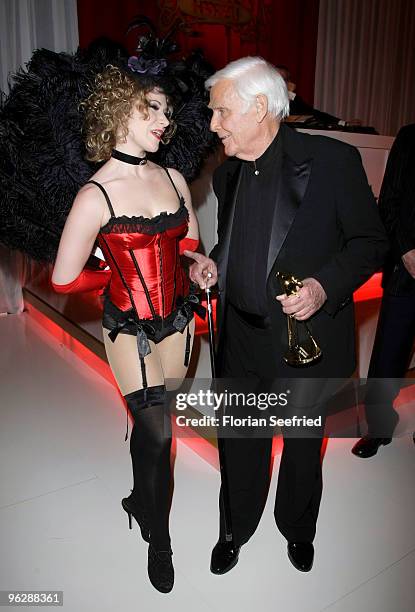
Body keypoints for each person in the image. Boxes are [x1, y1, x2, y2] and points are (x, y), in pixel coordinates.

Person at [187, 56, 388, 574]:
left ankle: (298, 528)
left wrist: (324, 286)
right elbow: (240, 243)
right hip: (240, 335)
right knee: (241, 438)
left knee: (302, 443)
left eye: (221, 112)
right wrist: (216, 266)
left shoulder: (332, 162)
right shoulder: (229, 173)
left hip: (306, 338)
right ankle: (235, 526)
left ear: (259, 108)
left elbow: (370, 243)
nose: (213, 125)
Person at [51, 61, 203, 593]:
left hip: (182, 324)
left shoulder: (174, 177)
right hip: (129, 331)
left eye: (167, 109)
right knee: (160, 433)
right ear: (118, 111)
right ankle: (157, 540)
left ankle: (141, 497)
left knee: (153, 428)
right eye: (151, 108)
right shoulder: (97, 194)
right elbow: (64, 276)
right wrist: (111, 265)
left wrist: (195, 264)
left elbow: (188, 244)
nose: (165, 120)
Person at [352, 124, 415, 458]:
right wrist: (406, 252)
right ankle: (378, 428)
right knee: (388, 355)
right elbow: (389, 201)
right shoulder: (409, 137)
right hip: (407, 270)